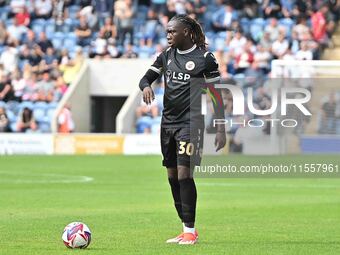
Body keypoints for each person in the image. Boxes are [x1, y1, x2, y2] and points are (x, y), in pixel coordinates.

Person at [138, 14, 226, 245]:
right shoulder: (167, 56)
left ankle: (190, 230)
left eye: (172, 31)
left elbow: (216, 95)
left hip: (191, 123)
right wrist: (146, 86)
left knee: (185, 175)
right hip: (167, 124)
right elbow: (146, 78)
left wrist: (220, 127)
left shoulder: (205, 58)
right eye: (167, 32)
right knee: (172, 177)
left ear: (185, 32)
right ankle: (185, 228)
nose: (168, 35)